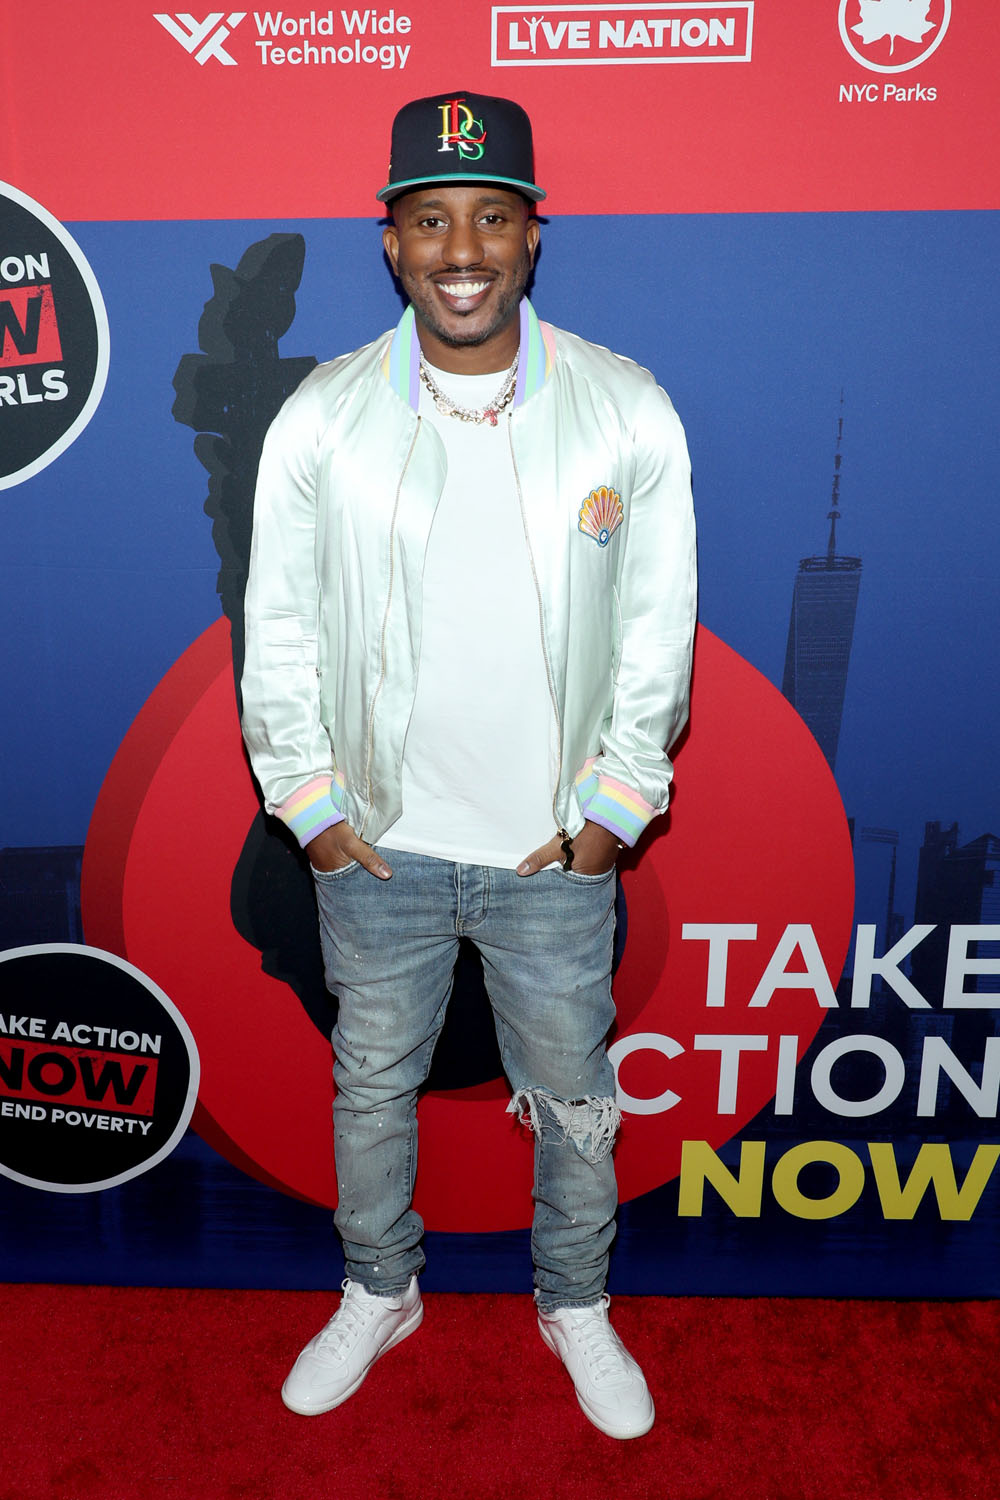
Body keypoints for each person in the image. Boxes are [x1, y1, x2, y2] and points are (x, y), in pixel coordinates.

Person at [241, 89, 696, 1441]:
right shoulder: (322, 417)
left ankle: (577, 1303)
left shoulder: (624, 409)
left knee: (574, 1097)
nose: (462, 250)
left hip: (554, 849)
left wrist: (618, 804)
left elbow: (657, 631)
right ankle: (379, 1289)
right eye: (431, 220)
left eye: (491, 218)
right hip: (377, 844)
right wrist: (310, 804)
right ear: (391, 242)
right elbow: (278, 627)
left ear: (532, 236)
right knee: (370, 1087)